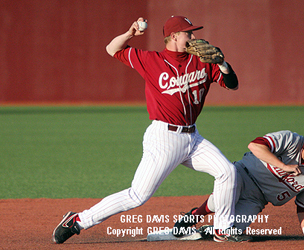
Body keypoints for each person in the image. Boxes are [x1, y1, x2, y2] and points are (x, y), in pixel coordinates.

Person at [52, 15, 239, 244]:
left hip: (193, 138)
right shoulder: (151, 60)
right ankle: (78, 220)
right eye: (188, 33)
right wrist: (130, 33)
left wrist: (223, 64)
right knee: (137, 195)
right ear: (173, 36)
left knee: (228, 171)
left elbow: (233, 85)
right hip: (164, 137)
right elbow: (112, 48)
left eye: (193, 32)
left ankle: (223, 229)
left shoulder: (202, 61)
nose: (193, 37)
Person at [173, 127, 304, 242]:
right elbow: (255, 145)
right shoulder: (290, 140)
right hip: (242, 175)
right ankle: (195, 215)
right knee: (219, 202)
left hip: (256, 200)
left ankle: (210, 229)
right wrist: (284, 166)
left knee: (234, 231)